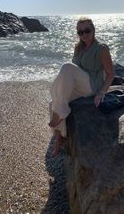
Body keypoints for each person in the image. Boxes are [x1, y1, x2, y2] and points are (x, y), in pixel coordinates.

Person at [48, 17, 114, 156]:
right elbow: (74, 72)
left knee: (66, 67)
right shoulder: (78, 48)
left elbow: (110, 74)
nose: (84, 34)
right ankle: (60, 138)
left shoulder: (101, 48)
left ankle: (62, 114)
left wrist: (102, 93)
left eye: (87, 30)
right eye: (80, 32)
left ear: (93, 30)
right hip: (79, 86)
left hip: (92, 85)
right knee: (55, 101)